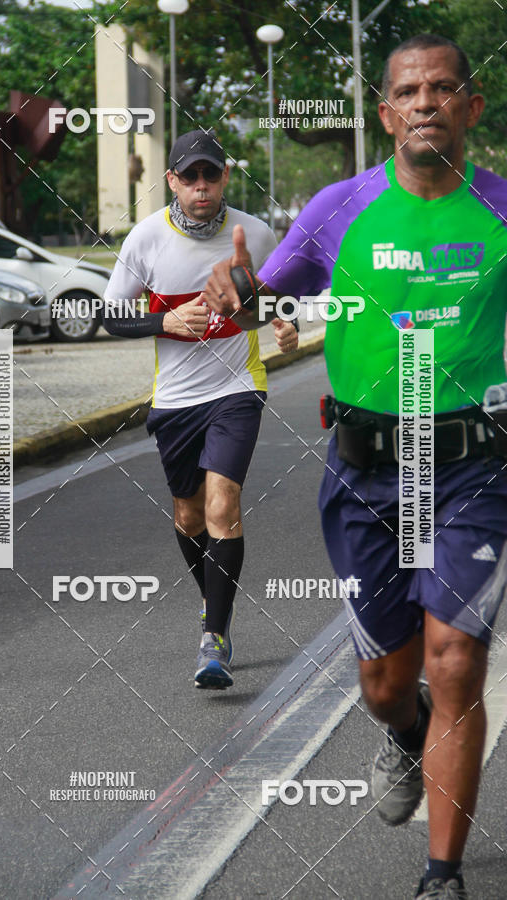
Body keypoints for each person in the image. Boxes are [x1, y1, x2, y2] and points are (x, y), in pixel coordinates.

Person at [201, 34, 507, 899]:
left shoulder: (502, 211)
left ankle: (441, 876)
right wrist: (237, 294)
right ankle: (401, 733)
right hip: (368, 472)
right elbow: (269, 289)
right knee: (386, 684)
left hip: (469, 468)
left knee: (455, 661)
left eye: (443, 88)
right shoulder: (340, 208)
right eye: (408, 90)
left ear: (469, 108)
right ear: (385, 112)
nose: (424, 103)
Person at [103, 129, 298, 690]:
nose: (201, 187)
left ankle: (214, 636)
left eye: (211, 175)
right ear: (172, 182)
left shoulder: (254, 233)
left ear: (225, 178)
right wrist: (160, 321)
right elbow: (110, 316)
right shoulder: (144, 240)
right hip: (176, 399)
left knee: (223, 504)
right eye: (189, 177)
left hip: (238, 385)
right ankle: (214, 608)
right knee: (188, 518)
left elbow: (280, 298)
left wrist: (286, 323)